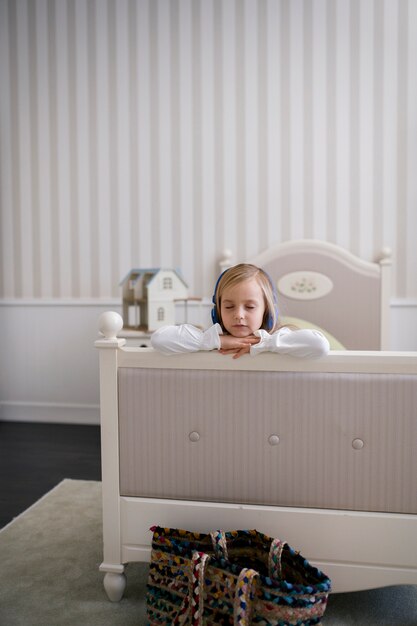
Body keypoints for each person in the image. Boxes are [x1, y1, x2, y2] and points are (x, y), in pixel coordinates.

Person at [151, 263, 329, 359]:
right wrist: (218, 341)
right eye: (229, 307)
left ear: (266, 310)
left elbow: (319, 345)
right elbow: (160, 339)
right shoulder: (210, 340)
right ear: (218, 311)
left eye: (250, 307)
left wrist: (264, 343)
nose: (238, 314)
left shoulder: (281, 338)